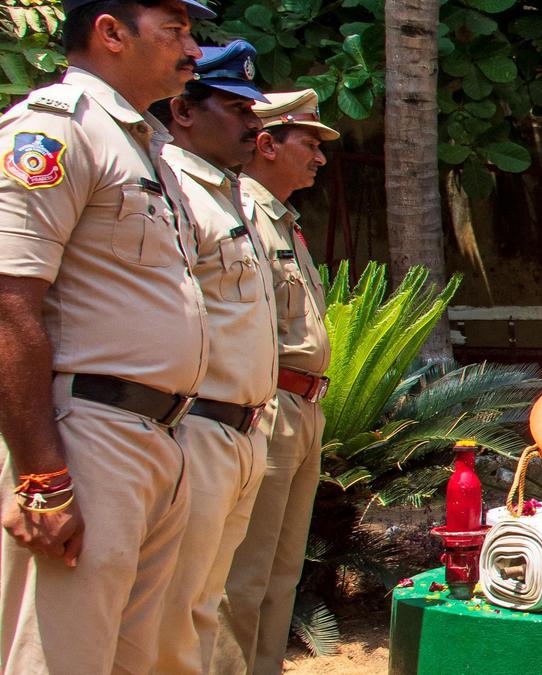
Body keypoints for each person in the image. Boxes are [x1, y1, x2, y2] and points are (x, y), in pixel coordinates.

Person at [0, 0, 214, 669]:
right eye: (175, 29)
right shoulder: (56, 129)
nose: (193, 48)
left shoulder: (147, 147)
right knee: (60, 657)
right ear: (111, 32)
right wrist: (42, 475)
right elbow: (10, 300)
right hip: (88, 437)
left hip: (158, 440)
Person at [149, 39, 278, 674]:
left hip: (243, 430)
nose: (254, 123)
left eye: (255, 109)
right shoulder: (171, 188)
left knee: (203, 602)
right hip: (194, 427)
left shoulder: (232, 196)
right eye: (236, 107)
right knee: (173, 608)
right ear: (184, 109)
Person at [213, 88, 338, 675]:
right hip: (267, 407)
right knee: (244, 574)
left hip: (301, 407)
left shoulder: (285, 221)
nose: (318, 157)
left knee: (282, 572)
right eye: (308, 143)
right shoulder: (241, 215)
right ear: (266, 144)